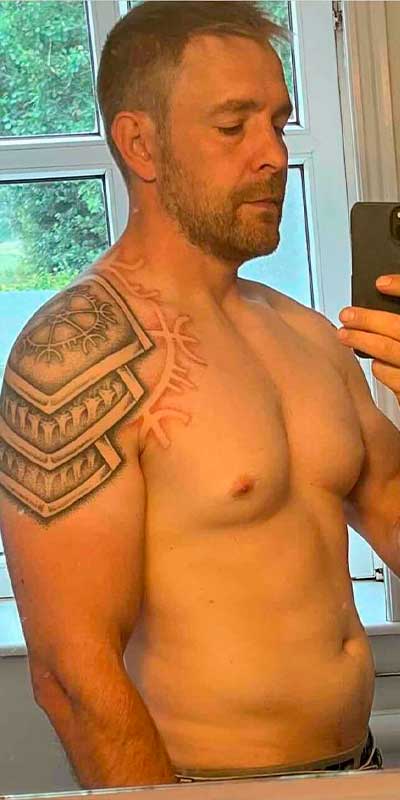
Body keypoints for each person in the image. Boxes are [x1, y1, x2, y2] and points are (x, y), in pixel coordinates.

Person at [1, 0, 398, 789]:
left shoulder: (309, 336)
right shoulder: (76, 354)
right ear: (140, 144)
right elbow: (72, 674)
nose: (272, 155)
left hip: (362, 767)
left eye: (278, 123)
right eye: (232, 126)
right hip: (206, 785)